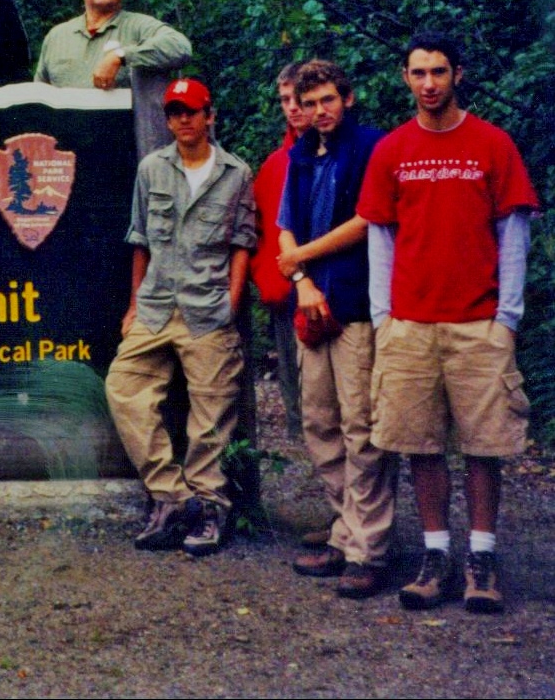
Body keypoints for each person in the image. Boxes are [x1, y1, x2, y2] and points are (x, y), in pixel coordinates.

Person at [358, 33, 538, 614]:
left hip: (479, 323)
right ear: (404, 78)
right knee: (420, 444)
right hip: (409, 323)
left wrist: (506, 317)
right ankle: (435, 555)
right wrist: (384, 317)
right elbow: (380, 237)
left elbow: (514, 231)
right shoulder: (392, 149)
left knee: (485, 447)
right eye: (418, 73)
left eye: (438, 72)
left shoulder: (492, 144)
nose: (429, 83)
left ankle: (481, 559)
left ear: (457, 74)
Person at [105, 78, 256, 557]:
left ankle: (212, 506)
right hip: (155, 305)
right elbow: (140, 240)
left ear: (209, 115)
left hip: (208, 307)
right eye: (174, 113)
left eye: (192, 111)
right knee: (124, 387)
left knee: (210, 415)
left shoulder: (235, 173)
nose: (183, 120)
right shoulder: (152, 168)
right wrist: (134, 304)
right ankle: (172, 497)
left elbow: (243, 244)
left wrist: (231, 302)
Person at [275, 61, 395, 599]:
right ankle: (344, 529)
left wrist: (301, 257)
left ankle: (368, 549)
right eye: (309, 102)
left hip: (355, 302)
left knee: (361, 427)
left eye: (328, 100)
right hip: (312, 303)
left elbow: (368, 218)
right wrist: (300, 277)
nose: (319, 111)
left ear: (346, 98)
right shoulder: (301, 155)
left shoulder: (371, 147)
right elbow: (284, 227)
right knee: (318, 421)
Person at [34, 0, 191, 158]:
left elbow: (180, 48)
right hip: (67, 160)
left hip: (129, 156)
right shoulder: (57, 37)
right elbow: (38, 101)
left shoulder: (139, 27)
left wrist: (122, 56)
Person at [252, 62, 310, 442]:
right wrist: (271, 282)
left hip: (337, 285)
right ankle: (300, 441)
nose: (291, 107)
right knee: (292, 369)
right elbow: (260, 230)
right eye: (284, 100)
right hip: (287, 288)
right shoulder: (275, 164)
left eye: (297, 98)